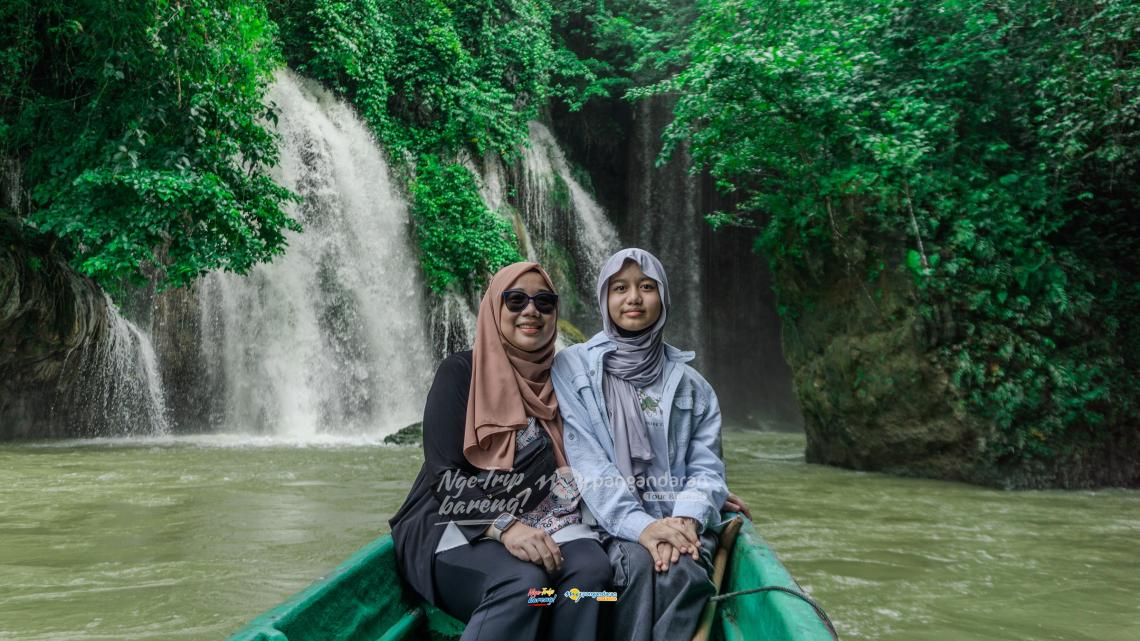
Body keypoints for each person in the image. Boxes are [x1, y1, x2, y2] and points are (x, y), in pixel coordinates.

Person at [389, 262, 612, 641]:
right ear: (495, 307)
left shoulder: (566, 377)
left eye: (544, 301)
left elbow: (615, 446)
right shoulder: (461, 372)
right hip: (454, 523)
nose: (531, 311)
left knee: (593, 580)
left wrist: (692, 489)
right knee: (526, 585)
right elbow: (444, 473)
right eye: (516, 300)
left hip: (549, 518)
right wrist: (507, 528)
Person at [552, 248, 743, 641]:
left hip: (678, 521)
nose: (634, 298)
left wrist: (687, 520)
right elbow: (588, 464)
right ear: (605, 298)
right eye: (620, 287)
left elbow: (706, 469)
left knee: (684, 572)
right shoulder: (573, 368)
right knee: (633, 569)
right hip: (607, 524)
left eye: (646, 286)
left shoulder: (694, 387)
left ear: (664, 297)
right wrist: (643, 528)